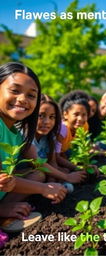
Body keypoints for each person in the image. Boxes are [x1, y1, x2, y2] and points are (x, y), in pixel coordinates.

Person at [0, 62, 67, 222]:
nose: (23, 99)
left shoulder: (16, 135)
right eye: (15, 90)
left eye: (31, 95)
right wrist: (44, 189)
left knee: (37, 174)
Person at [33, 94, 86, 183]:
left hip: (41, 170)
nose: (47, 122)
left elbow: (52, 161)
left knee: (63, 171)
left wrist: (53, 182)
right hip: (24, 173)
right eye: (41, 116)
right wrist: (66, 177)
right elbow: (38, 163)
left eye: (51, 117)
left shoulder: (50, 136)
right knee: (39, 175)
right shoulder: (26, 135)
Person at [58, 90, 90, 156]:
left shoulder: (84, 125)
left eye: (84, 115)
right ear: (65, 114)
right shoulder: (62, 130)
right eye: (76, 114)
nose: (80, 119)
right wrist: (74, 166)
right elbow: (56, 156)